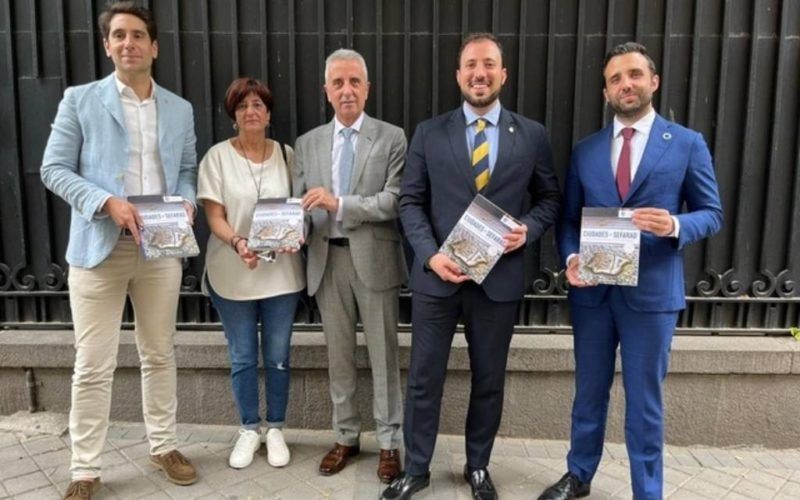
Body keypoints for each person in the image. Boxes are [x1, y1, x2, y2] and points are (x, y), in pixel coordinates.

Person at [538, 42, 723, 500]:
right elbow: (569, 221)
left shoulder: (685, 143)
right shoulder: (585, 151)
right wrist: (571, 259)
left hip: (652, 297)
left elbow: (713, 212)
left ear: (653, 82)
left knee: (645, 404)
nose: (627, 84)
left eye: (635, 74)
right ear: (606, 91)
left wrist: (676, 223)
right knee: (588, 394)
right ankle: (578, 475)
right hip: (594, 294)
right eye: (616, 78)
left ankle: (647, 491)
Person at [381, 33, 561, 500]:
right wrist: (429, 254)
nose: (479, 73)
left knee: (488, 379)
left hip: (498, 282)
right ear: (459, 75)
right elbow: (411, 201)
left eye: (488, 65)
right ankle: (417, 468)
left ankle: (477, 466)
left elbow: (549, 199)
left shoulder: (533, 135)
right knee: (424, 378)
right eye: (470, 65)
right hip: (437, 278)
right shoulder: (428, 132)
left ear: (502, 74)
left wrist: (529, 228)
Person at [39, 2, 199, 499]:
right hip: (98, 248)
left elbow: (188, 169)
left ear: (154, 47)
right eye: (118, 36)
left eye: (137, 36)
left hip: (160, 248)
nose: (128, 43)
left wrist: (189, 202)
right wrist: (105, 201)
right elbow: (54, 169)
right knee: (93, 363)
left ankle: (164, 444)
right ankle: (85, 469)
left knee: (159, 353)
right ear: (107, 45)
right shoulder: (80, 100)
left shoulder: (179, 108)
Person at [292, 48, 408, 483]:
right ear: (326, 91)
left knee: (383, 356)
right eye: (338, 83)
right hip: (327, 260)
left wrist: (340, 203)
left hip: (374, 259)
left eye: (354, 82)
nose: (346, 91)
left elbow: (395, 200)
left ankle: (390, 442)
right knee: (338, 357)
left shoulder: (391, 137)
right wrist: (291, 228)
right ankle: (345, 436)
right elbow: (298, 205)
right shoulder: (307, 143)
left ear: (367, 88)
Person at [197, 78, 305, 470]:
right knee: (242, 356)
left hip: (281, 275)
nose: (251, 111)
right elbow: (214, 216)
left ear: (269, 112)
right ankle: (247, 429)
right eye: (243, 106)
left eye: (258, 104)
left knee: (277, 356)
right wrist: (239, 243)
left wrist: (298, 232)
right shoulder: (217, 158)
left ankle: (275, 428)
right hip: (232, 270)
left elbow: (300, 208)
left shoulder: (289, 155)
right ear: (233, 115)